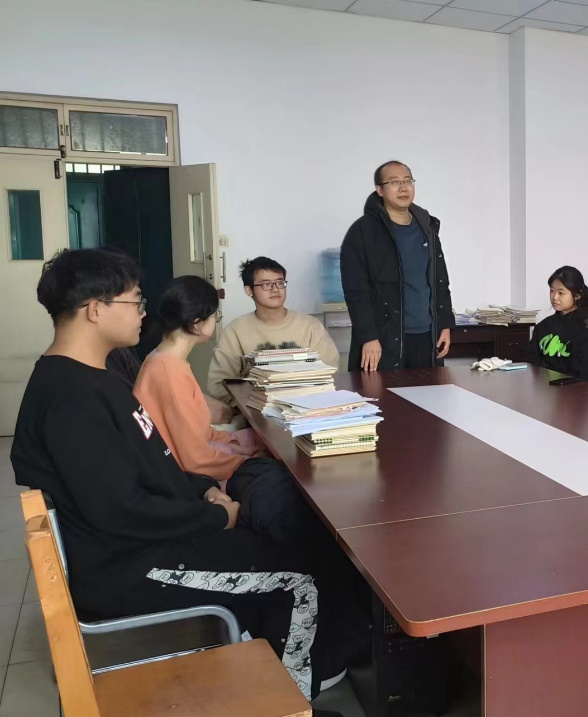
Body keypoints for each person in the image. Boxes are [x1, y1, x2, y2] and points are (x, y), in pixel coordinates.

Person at [10, 248, 367, 703]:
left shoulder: (96, 377)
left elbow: (152, 463)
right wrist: (216, 517)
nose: (143, 313)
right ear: (95, 310)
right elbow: (119, 511)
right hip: (130, 565)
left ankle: (273, 663)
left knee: (290, 537)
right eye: (135, 302)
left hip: (150, 540)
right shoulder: (71, 398)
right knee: (303, 574)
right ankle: (293, 700)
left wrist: (203, 490)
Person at [134, 276, 261, 483]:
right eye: (215, 316)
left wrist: (236, 445)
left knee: (255, 442)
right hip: (184, 477)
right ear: (197, 324)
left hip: (195, 454)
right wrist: (245, 461)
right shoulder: (170, 372)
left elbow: (197, 434)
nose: (216, 321)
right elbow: (195, 460)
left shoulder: (163, 358)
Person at [341, 160, 455, 372]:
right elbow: (356, 291)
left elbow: (440, 280)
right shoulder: (363, 231)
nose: (403, 188)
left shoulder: (426, 226)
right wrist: (368, 337)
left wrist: (444, 324)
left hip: (428, 335)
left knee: (429, 392)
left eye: (407, 181)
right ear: (380, 190)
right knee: (382, 393)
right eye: (394, 182)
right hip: (384, 337)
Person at [207, 257, 340, 405]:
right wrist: (251, 403)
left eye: (280, 282)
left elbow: (331, 371)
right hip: (255, 407)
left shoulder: (311, 326)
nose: (275, 289)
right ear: (249, 290)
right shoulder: (235, 331)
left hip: (307, 407)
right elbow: (219, 385)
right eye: (266, 284)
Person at [528, 266, 588, 385]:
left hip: (575, 390)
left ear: (577, 295)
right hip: (544, 387)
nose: (554, 297)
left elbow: (584, 373)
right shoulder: (543, 326)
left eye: (561, 293)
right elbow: (531, 363)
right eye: (552, 291)